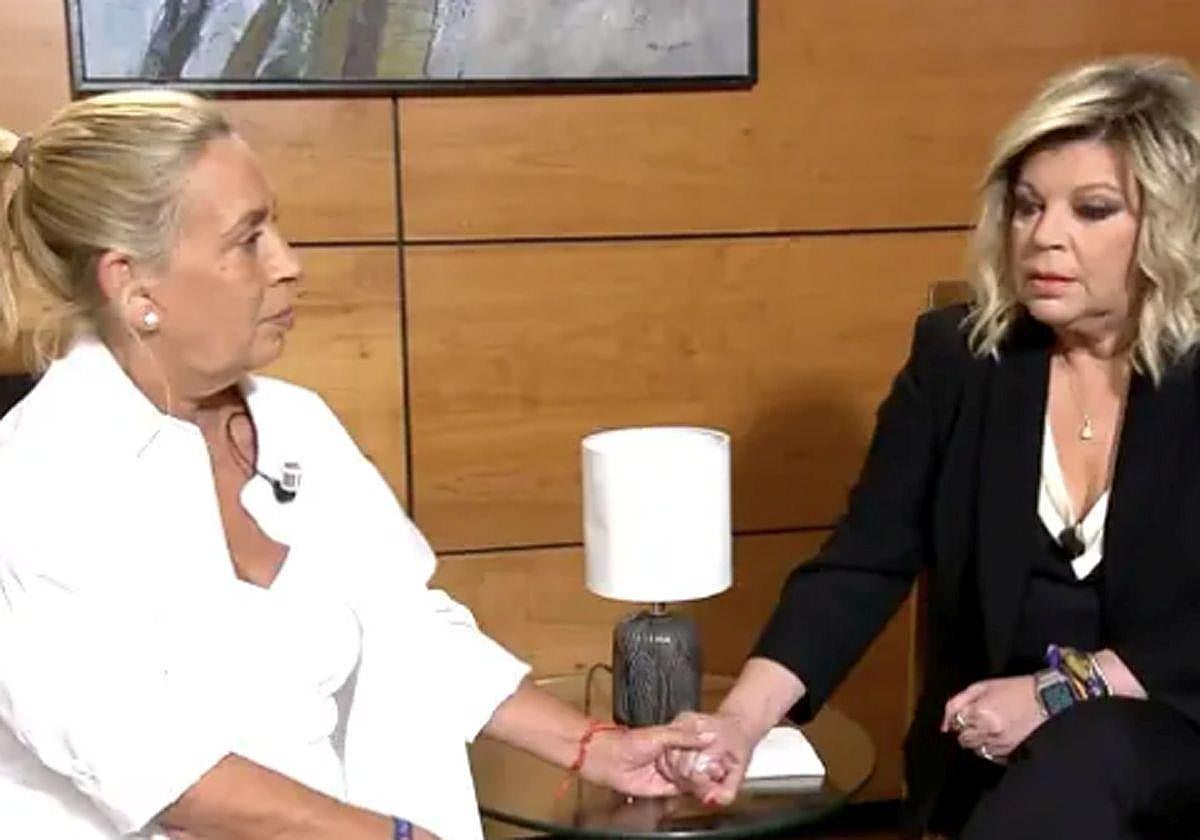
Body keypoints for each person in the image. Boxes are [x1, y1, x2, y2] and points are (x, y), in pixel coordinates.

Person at [0, 91, 713, 840]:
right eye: (248, 239)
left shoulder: (297, 423)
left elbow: (409, 624)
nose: (289, 264)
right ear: (132, 283)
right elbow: (149, 763)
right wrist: (395, 838)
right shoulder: (32, 482)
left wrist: (596, 747)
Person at [660, 56, 1200, 839]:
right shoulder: (960, 362)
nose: (1044, 236)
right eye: (1027, 206)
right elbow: (862, 562)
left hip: (1177, 734)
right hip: (993, 755)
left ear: (1174, 225)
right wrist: (740, 723)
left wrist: (1060, 693)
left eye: (1092, 210)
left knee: (1091, 746)